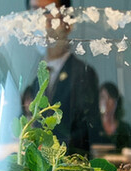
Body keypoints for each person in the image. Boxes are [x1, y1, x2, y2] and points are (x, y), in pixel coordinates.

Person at [26, 0, 101, 155]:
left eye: (49, 12)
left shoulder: (83, 74)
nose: (42, 21)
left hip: (70, 166)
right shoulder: (34, 77)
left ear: (68, 22)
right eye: (35, 12)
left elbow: (85, 134)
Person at [97, 82, 131, 152]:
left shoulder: (125, 129)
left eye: (110, 97)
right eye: (103, 97)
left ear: (116, 101)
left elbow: (128, 153)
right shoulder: (93, 127)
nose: (106, 102)